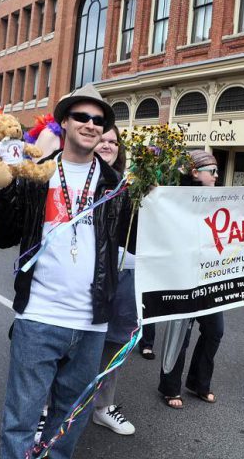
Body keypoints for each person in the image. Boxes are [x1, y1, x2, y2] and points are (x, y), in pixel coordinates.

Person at [0, 83, 134, 459]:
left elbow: (121, 246)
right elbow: (4, 235)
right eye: (82, 117)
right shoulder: (35, 173)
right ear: (64, 122)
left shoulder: (115, 185)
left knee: (68, 422)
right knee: (21, 421)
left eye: (98, 120)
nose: (91, 125)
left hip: (91, 323)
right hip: (39, 315)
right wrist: (5, 191)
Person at [158, 150, 223, 409]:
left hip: (210, 277)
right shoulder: (177, 197)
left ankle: (198, 382)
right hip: (183, 276)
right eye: (212, 171)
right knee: (179, 332)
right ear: (195, 173)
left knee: (214, 331)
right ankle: (170, 387)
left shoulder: (219, 199)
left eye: (217, 171)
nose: (217, 176)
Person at [91, 125, 136, 436]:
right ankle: (50, 409)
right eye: (102, 140)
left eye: (113, 142)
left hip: (125, 271)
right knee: (77, 339)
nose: (107, 145)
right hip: (87, 273)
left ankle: (103, 406)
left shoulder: (130, 185)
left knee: (116, 340)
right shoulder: (78, 179)